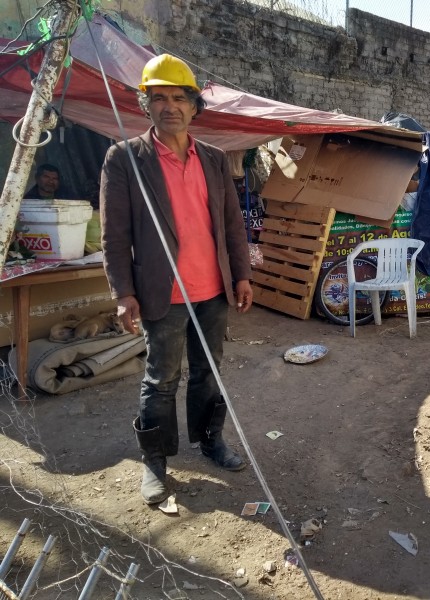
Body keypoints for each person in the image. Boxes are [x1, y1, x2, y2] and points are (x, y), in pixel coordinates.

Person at [100, 54, 254, 504]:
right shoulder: (124, 159)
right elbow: (115, 235)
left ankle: (211, 441)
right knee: (161, 379)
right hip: (161, 293)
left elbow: (232, 226)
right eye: (159, 97)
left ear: (193, 106)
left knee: (209, 373)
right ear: (145, 105)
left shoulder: (214, 158)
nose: (170, 106)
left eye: (179, 98)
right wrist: (123, 292)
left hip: (212, 290)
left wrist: (241, 275)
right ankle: (156, 461)